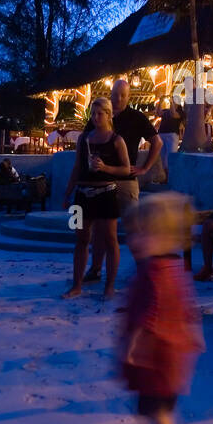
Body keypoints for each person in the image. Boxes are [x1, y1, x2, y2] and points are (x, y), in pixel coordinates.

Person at [118, 192, 204, 424]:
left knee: (160, 416)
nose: (132, 239)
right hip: (171, 355)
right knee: (154, 406)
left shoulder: (153, 272)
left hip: (155, 358)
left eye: (140, 232)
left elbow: (149, 312)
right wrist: (195, 336)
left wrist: (132, 343)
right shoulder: (172, 266)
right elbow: (187, 305)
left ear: (160, 235)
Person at [78, 79, 162, 282]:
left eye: (123, 95)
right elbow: (85, 142)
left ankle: (144, 271)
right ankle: (96, 269)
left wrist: (145, 167)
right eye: (115, 94)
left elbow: (156, 142)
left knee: (132, 226)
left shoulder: (136, 117)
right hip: (100, 182)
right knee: (99, 228)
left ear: (128, 97)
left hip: (125, 180)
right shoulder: (100, 115)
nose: (118, 99)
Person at [62, 98, 131, 300]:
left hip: (106, 193)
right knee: (80, 239)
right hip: (82, 195)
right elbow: (77, 167)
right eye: (93, 114)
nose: (95, 117)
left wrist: (106, 168)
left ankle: (109, 286)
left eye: (100, 113)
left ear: (109, 115)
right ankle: (76, 285)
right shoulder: (84, 139)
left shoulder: (117, 140)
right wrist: (67, 193)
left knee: (110, 240)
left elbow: (126, 169)